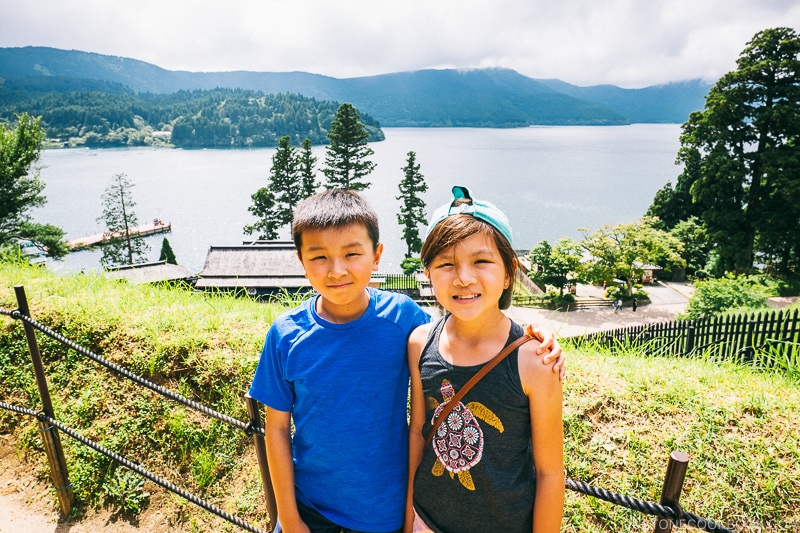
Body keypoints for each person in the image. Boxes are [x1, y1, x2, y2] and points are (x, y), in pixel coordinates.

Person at [248, 189, 564, 533]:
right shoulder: (287, 334)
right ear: (301, 261)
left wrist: (534, 333)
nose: (337, 270)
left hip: (383, 512)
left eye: (352, 253)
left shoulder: (402, 319)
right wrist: (289, 518)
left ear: (376, 255)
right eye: (320, 256)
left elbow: (468, 316)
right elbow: (276, 428)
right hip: (310, 506)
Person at [406, 186, 564, 533]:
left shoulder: (534, 360)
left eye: (481, 261)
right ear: (429, 274)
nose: (463, 277)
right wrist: (409, 522)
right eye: (445, 264)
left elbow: (550, 472)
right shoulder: (420, 343)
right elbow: (419, 435)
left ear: (509, 272)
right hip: (427, 520)